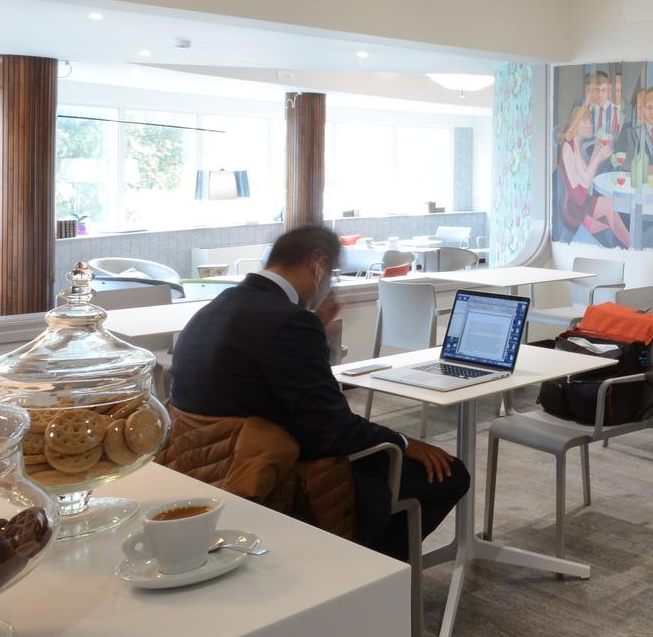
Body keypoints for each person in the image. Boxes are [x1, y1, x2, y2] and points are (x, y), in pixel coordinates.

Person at [168, 224, 468, 560]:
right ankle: (375, 569)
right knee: (449, 473)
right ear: (318, 264)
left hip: (201, 463)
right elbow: (331, 430)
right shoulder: (290, 322)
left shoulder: (221, 305)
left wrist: (314, 331)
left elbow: (265, 379)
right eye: (332, 274)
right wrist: (405, 443)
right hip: (273, 471)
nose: (330, 285)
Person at [556, 106, 631, 245]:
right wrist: (598, 159)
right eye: (586, 121)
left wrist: (598, 151)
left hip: (582, 202)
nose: (591, 125)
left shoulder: (575, 144)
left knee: (612, 204)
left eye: (590, 121)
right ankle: (630, 246)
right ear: (575, 123)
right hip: (574, 209)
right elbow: (584, 186)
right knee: (609, 220)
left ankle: (631, 245)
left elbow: (585, 174)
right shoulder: (568, 148)